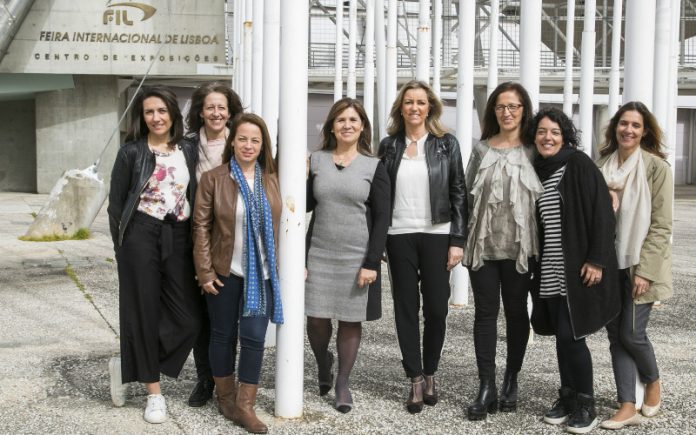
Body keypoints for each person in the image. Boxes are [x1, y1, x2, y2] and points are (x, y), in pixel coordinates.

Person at [107, 85, 201, 424]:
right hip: (140, 235)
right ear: (142, 116)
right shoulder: (130, 153)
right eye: (149, 112)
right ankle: (154, 393)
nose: (156, 117)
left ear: (173, 114)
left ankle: (129, 363)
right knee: (143, 312)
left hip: (179, 234)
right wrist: (122, 249)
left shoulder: (188, 148)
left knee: (189, 319)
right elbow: (116, 206)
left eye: (162, 111)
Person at [528, 108, 620, 434]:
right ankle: (567, 397)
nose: (547, 137)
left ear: (565, 136)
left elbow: (602, 214)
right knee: (561, 338)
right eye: (541, 132)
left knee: (572, 335)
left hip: (577, 268)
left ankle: (586, 404)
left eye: (554, 132)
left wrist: (596, 259)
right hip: (550, 268)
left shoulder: (578, 164)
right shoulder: (537, 171)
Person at [378, 80, 467, 414]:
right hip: (398, 233)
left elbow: (459, 190)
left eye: (420, 102)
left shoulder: (446, 144)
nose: (414, 107)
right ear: (400, 108)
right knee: (405, 308)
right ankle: (415, 378)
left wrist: (457, 240)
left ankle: (431, 371)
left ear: (430, 107)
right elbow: (379, 194)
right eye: (408, 102)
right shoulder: (388, 146)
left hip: (437, 233)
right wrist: (379, 237)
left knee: (437, 309)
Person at [192, 113, 283, 434]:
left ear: (263, 145)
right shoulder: (214, 179)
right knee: (222, 335)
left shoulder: (273, 179)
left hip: (262, 274)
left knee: (255, 338)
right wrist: (204, 272)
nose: (248, 145)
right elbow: (200, 227)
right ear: (232, 142)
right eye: (242, 138)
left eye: (255, 140)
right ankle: (226, 398)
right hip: (225, 272)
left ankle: (245, 406)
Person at [462, 82, 543, 420]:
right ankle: (486, 386)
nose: (507, 112)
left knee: (516, 313)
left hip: (520, 248)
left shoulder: (536, 149)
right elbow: (465, 195)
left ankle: (511, 379)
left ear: (524, 110)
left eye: (513, 106)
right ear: (492, 111)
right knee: (484, 314)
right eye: (500, 106)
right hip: (484, 245)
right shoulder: (481, 149)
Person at [305, 98, 390, 413]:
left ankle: (342, 382)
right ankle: (322, 362)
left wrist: (372, 262)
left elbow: (382, 217)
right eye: (341, 120)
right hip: (319, 251)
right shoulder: (316, 160)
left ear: (362, 126)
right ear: (331, 126)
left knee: (350, 320)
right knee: (316, 318)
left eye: (353, 120)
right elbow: (305, 205)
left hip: (356, 255)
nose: (347, 125)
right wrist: (301, 176)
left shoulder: (374, 166)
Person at [597, 102, 673, 430]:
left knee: (631, 332)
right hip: (608, 264)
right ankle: (627, 403)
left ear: (644, 132)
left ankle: (652, 381)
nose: (628, 130)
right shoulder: (601, 166)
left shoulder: (656, 168)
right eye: (623, 123)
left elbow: (661, 225)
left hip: (638, 264)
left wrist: (645, 270)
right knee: (616, 335)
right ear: (615, 127)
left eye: (636, 125)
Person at [185, 81, 244, 408]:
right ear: (200, 112)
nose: (216, 113)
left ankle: (225, 379)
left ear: (230, 112)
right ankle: (204, 378)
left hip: (231, 240)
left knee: (225, 317)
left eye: (222, 107)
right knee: (198, 316)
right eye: (210, 107)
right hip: (195, 237)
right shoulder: (187, 146)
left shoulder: (240, 142)